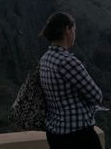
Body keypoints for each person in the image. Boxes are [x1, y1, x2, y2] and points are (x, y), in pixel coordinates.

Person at [39, 12, 103, 149]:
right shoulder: (68, 61)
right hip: (78, 134)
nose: (75, 33)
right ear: (67, 30)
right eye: (74, 29)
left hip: (55, 133)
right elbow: (96, 96)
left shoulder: (45, 59)